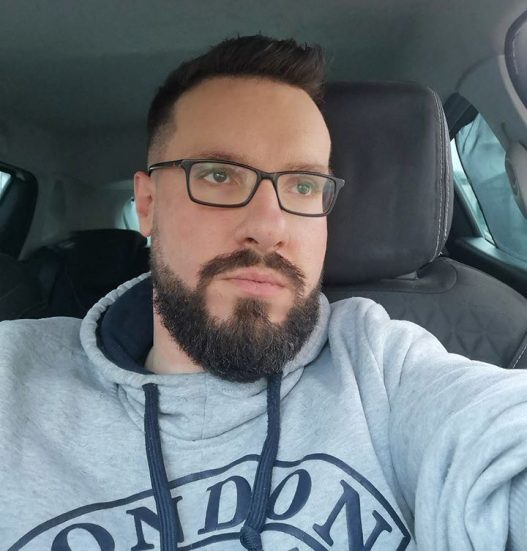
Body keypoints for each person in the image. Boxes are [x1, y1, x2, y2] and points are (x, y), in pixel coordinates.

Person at [1, 35, 527, 551]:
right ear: (147, 203)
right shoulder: (14, 380)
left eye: (303, 185)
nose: (270, 228)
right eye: (218, 175)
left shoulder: (382, 366)